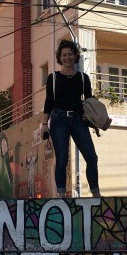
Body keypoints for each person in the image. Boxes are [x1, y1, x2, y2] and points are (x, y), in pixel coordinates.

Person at [40, 40, 100, 198]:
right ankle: (61, 194)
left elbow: (89, 101)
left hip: (79, 120)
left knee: (92, 157)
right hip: (59, 120)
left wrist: (95, 121)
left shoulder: (83, 78)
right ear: (60, 57)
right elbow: (49, 102)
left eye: (70, 54)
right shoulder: (53, 78)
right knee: (62, 159)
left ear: (75, 56)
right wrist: (44, 124)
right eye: (64, 55)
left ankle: (96, 193)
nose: (67, 57)